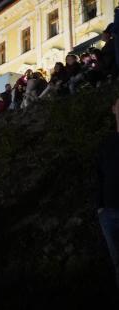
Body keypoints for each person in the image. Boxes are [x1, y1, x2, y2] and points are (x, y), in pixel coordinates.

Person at [98, 97, 119, 289]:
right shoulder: (107, 142)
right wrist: (99, 207)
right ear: (113, 109)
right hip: (109, 212)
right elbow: (98, 175)